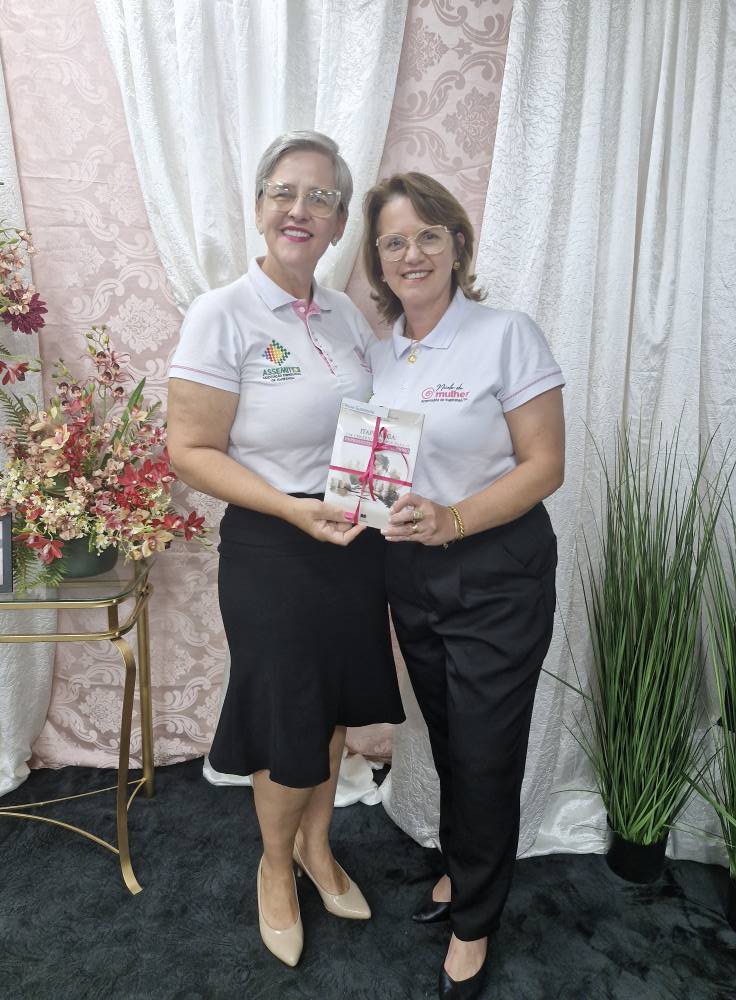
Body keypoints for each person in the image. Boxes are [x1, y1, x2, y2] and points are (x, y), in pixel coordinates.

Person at [166, 131, 404, 969]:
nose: (300, 210)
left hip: (350, 542)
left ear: (339, 223)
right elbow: (189, 450)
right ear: (260, 205)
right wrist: (292, 510)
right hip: (273, 544)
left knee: (332, 707)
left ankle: (317, 848)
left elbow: (372, 425)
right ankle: (274, 867)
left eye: (321, 197)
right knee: (287, 716)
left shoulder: (343, 314)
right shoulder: (222, 313)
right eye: (284, 192)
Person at [362, 172, 565, 1000]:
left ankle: (475, 921)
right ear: (378, 259)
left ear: (457, 245)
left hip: (496, 571)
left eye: (427, 235)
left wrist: (453, 519)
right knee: (449, 736)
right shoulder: (379, 355)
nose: (411, 253)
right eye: (393, 241)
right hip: (410, 572)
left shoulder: (506, 334)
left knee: (485, 751)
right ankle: (463, 865)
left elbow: (545, 465)